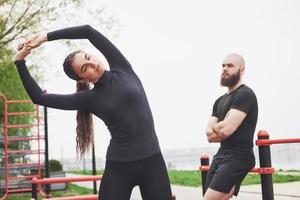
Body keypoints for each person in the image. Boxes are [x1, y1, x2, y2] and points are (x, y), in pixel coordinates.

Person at [15, 25, 172, 200]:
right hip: (119, 168)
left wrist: (45, 36)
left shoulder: (122, 68)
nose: (92, 64)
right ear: (83, 79)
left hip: (153, 162)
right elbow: (40, 98)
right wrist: (20, 62)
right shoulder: (87, 98)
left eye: (88, 57)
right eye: (84, 68)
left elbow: (88, 31)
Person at [204, 54, 258, 200]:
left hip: (239, 156)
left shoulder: (244, 94)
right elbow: (210, 135)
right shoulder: (219, 101)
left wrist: (219, 126)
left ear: (241, 70)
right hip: (221, 154)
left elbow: (225, 130)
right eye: (223, 65)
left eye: (230, 66)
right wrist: (222, 125)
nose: (225, 69)